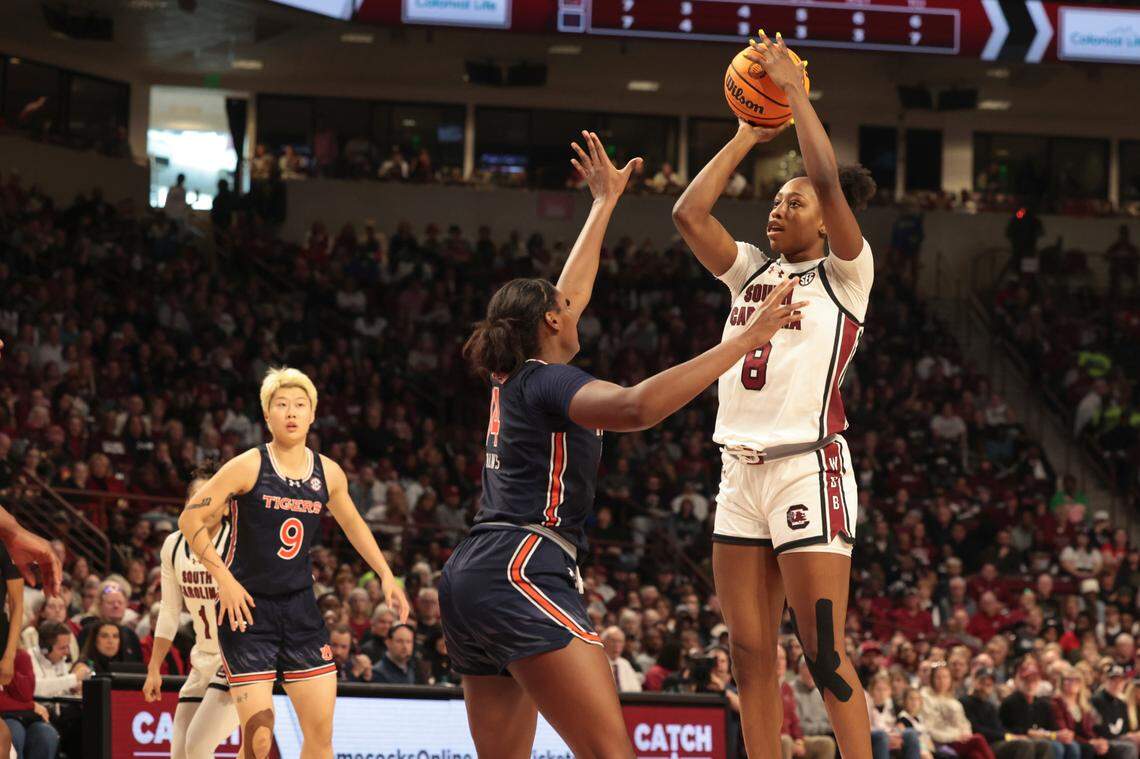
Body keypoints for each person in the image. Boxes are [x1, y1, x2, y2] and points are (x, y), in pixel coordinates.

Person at [438, 131, 805, 759]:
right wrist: (747, 337)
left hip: (468, 577)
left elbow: (570, 290)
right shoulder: (551, 380)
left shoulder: (512, 374)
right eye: (565, 308)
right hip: (522, 567)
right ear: (550, 322)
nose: (576, 307)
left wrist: (604, 203)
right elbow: (636, 407)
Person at [672, 30, 877, 759]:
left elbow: (825, 176)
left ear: (826, 216)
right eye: (776, 200)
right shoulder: (751, 271)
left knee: (822, 651)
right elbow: (688, 216)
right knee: (751, 653)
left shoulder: (846, 275)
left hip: (806, 466)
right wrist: (743, 135)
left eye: (793, 202)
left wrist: (795, 93)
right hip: (740, 471)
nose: (776, 210)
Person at [177, 367, 410, 759]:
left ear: (312, 414)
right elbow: (189, 519)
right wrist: (224, 579)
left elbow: (354, 525)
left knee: (320, 737)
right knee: (259, 740)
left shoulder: (328, 472)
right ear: (267, 416)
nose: (291, 412)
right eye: (281, 405)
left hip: (301, 609)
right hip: (246, 611)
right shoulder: (248, 464)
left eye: (300, 405)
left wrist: (387, 575)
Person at [142, 465, 239, 759]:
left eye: (213, 496)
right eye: (197, 497)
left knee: (197, 749)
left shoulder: (238, 542)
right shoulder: (173, 545)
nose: (203, 503)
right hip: (203, 659)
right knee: (180, 755)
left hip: (237, 658)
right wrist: (153, 668)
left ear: (226, 509)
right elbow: (170, 611)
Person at [960, 668, 1046, 759]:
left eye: (989, 684)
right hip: (985, 744)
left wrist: (1015, 736)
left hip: (998, 740)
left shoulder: (990, 705)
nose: (986, 686)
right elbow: (976, 729)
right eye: (982, 682)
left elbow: (999, 727)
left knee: (1041, 744)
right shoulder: (964, 702)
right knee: (1024, 745)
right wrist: (1008, 736)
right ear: (974, 681)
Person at [0, 648, 59, 759]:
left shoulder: (22, 655)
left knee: (46, 734)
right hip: (6, 716)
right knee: (14, 731)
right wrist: (31, 706)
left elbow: (26, 695)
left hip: (24, 715)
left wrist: (10, 658)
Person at [1092, 666, 1139, 759]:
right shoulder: (1097, 700)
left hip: (1120, 739)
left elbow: (1126, 728)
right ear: (1105, 680)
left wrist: (1131, 736)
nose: (1117, 684)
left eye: (1120, 681)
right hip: (1104, 741)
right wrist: (1125, 737)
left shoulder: (1122, 703)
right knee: (1129, 748)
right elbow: (1099, 729)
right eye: (1113, 680)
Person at [602, 626, 642, 692]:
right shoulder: (597, 663)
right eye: (613, 641)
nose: (617, 645)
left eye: (620, 641)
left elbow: (637, 690)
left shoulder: (625, 664)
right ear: (603, 642)